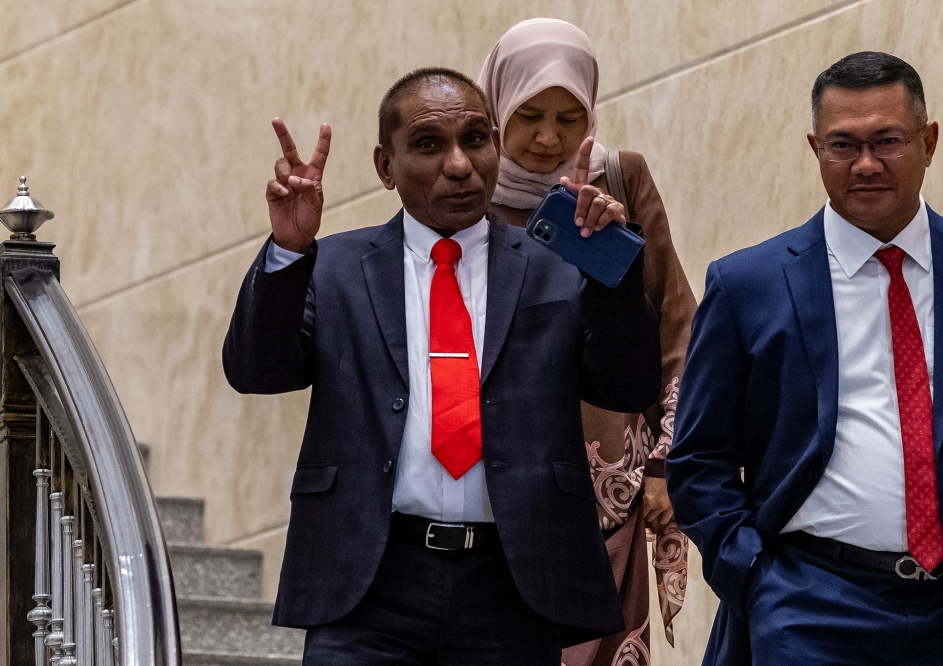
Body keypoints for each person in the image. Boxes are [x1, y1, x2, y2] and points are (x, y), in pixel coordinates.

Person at [222, 67, 662, 665]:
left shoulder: (555, 267)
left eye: (476, 139)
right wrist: (288, 251)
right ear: (385, 166)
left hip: (512, 584)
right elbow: (257, 370)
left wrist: (609, 267)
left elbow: (626, 383)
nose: (460, 165)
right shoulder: (335, 268)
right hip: (369, 583)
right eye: (429, 145)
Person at [667, 51, 943, 665]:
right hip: (812, 607)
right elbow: (698, 459)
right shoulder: (748, 286)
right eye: (843, 145)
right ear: (814, 149)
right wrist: (756, 578)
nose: (866, 164)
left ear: (929, 141)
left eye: (887, 141)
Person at [477, 18, 695, 664]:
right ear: (497, 111)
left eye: (569, 118)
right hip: (492, 490)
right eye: (530, 115)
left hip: (610, 490)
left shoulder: (619, 179)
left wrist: (665, 463)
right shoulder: (463, 192)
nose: (548, 137)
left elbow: (677, 326)